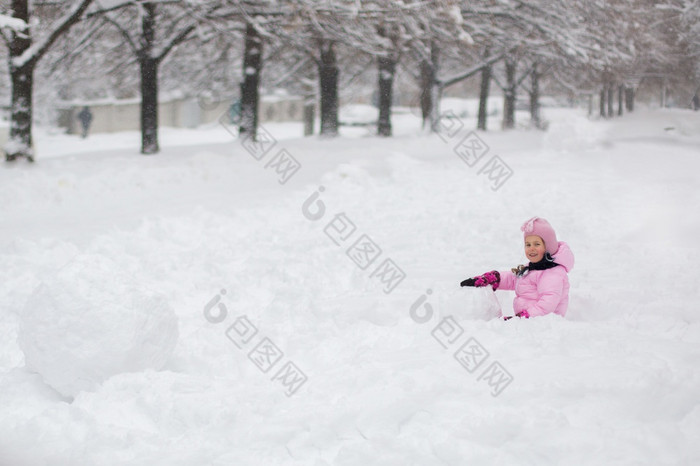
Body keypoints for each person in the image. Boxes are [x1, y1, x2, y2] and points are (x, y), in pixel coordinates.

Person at [459, 217, 575, 320]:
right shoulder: (534, 268)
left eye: (537, 244)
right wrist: (493, 278)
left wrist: (523, 317)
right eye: (528, 245)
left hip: (545, 324)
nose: (531, 249)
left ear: (548, 247)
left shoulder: (552, 273)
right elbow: (514, 279)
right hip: (529, 322)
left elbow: (548, 304)